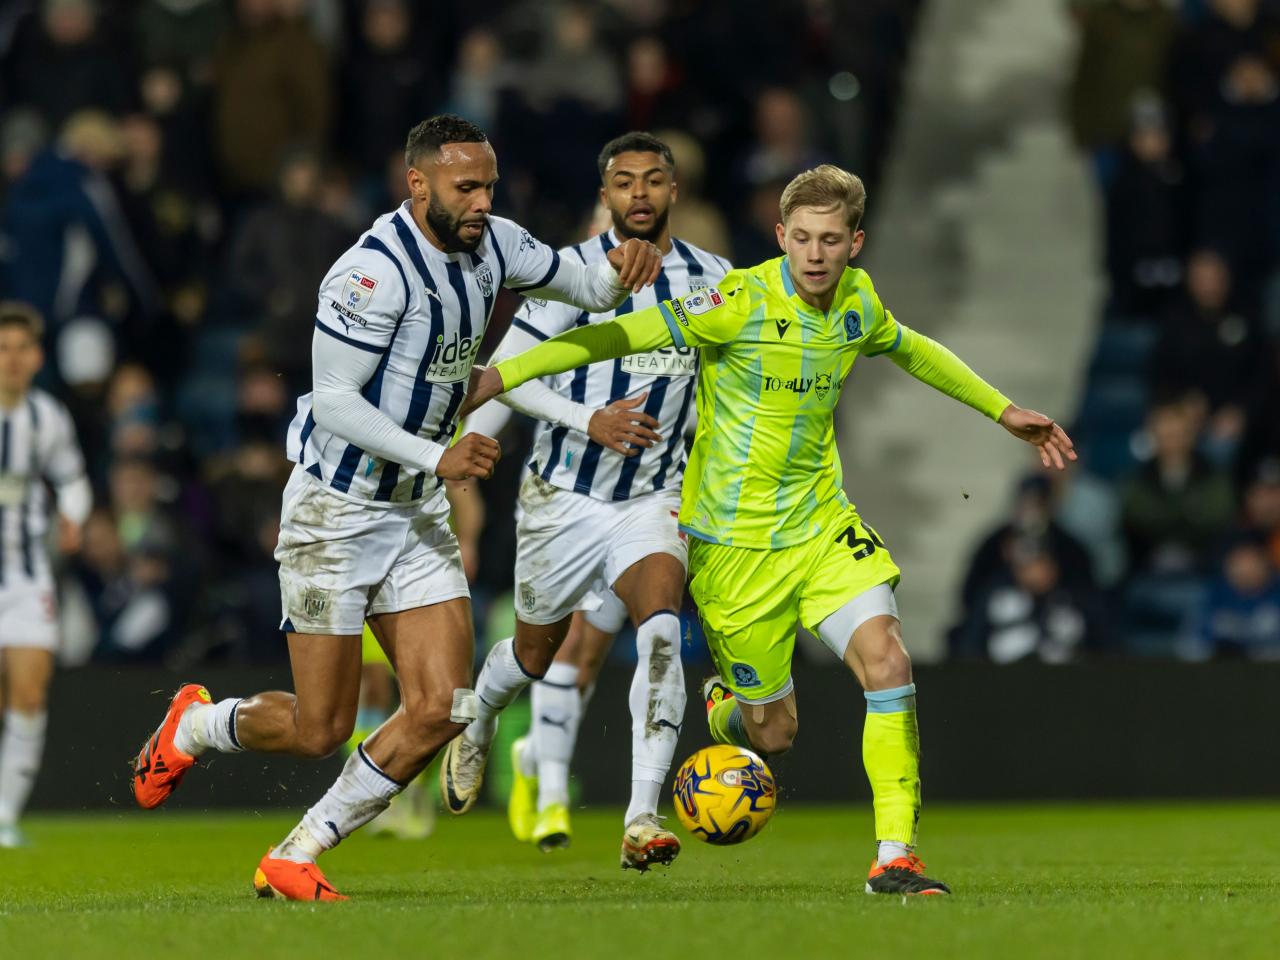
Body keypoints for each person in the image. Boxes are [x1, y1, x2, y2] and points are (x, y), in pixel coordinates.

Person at [467, 164, 1077, 896]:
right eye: (803, 239)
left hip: (821, 527)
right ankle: (728, 707)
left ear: (856, 243)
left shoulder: (858, 298)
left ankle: (895, 856)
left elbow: (911, 346)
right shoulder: (735, 301)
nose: (816, 255)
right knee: (773, 734)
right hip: (734, 551)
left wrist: (1003, 410)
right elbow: (618, 336)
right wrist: (503, 377)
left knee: (888, 661)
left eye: (831, 240)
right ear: (782, 236)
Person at [128, 114, 663, 901]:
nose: (482, 200)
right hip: (335, 512)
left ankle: (298, 851)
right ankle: (198, 726)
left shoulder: (498, 243)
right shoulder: (369, 273)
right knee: (321, 729)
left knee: (445, 705)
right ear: (418, 185)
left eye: (488, 185)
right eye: (465, 187)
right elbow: (337, 403)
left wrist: (623, 267)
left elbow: (583, 285)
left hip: (413, 515)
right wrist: (438, 456)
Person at [446, 132, 729, 869]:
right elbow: (511, 373)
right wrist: (470, 463)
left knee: (662, 634)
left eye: (654, 181)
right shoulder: (570, 275)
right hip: (562, 497)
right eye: (625, 182)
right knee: (535, 656)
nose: (640, 194)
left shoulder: (715, 281)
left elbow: (727, 386)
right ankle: (479, 715)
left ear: (675, 193)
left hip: (653, 497)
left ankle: (642, 815)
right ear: (605, 196)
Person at [0, 302, 92, 847]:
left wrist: (73, 517)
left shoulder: (47, 417)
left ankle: (5, 815)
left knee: (30, 695)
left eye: (20, 350)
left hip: (28, 577)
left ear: (36, 358)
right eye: (2, 350)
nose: (11, 360)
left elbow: (74, 480)